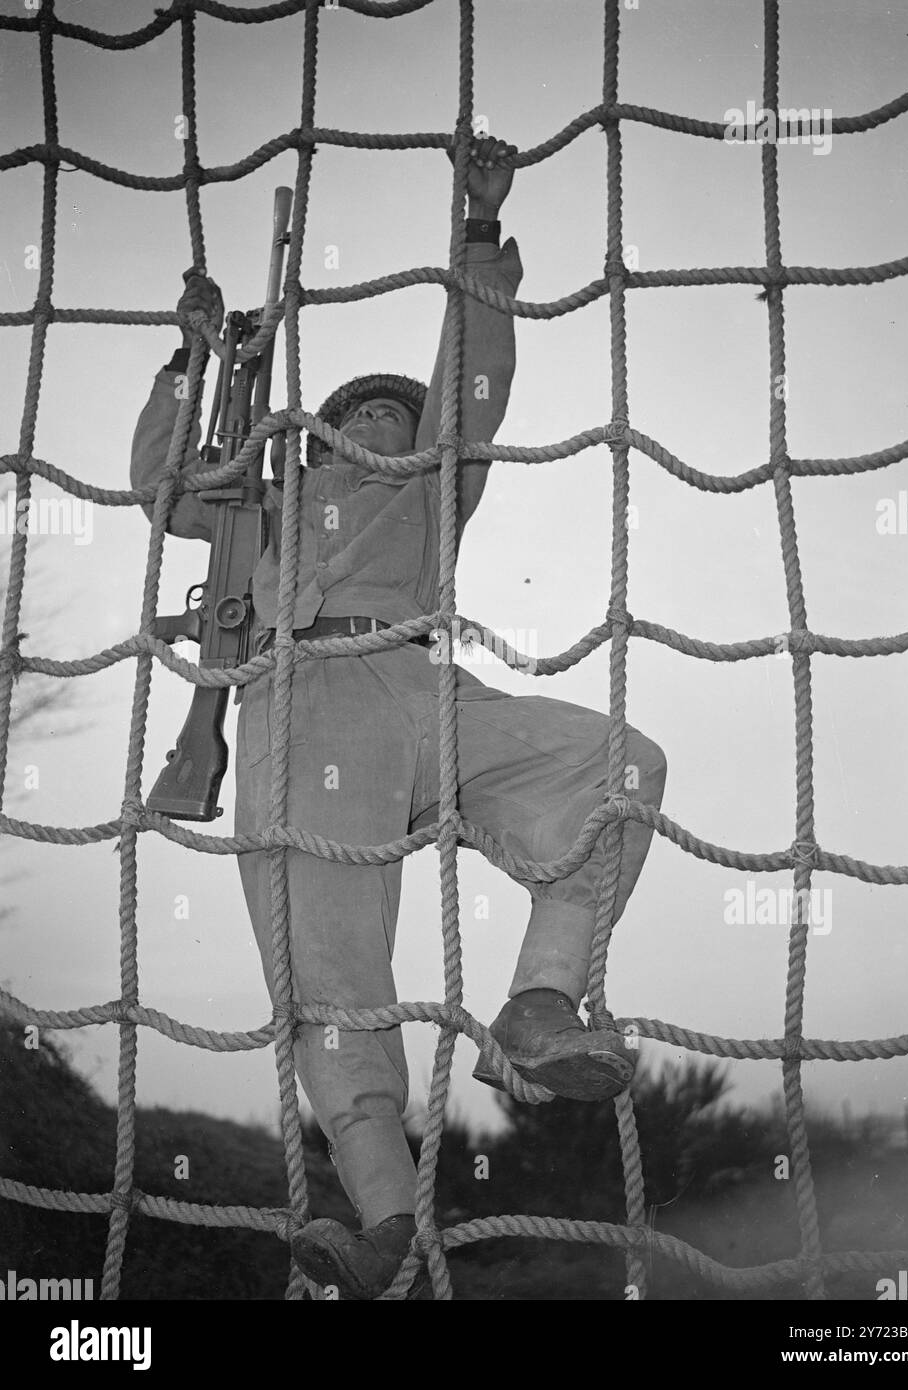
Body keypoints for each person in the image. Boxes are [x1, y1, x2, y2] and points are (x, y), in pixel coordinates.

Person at [130, 135, 667, 1299]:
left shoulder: (435, 484)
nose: (379, 417)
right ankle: (384, 1224)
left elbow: (471, 377)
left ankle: (538, 1001)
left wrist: (476, 237)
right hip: (290, 710)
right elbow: (156, 483)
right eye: (359, 407)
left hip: (421, 693)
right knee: (330, 993)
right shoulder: (260, 502)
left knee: (616, 762)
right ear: (315, 429)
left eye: (396, 408)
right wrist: (189, 359)